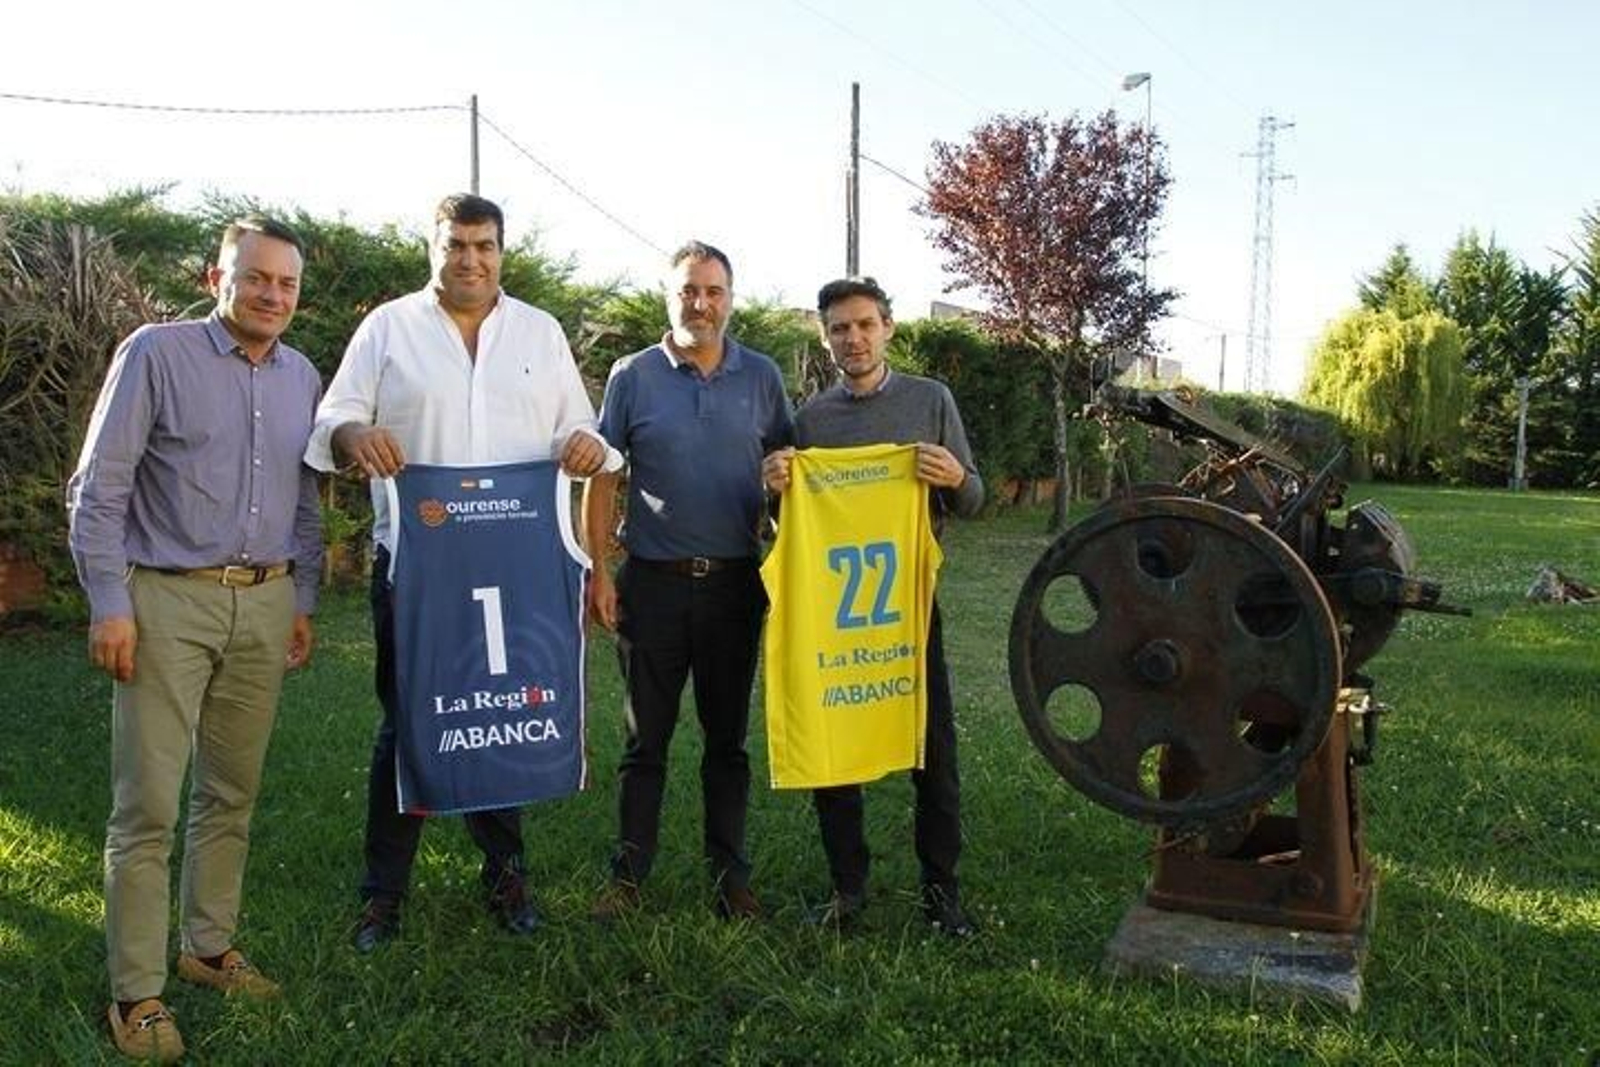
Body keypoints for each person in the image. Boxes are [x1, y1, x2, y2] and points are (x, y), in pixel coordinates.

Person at [305, 193, 618, 952]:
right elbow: (329, 421)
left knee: (499, 709)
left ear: (501, 251)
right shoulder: (388, 328)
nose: (470, 259)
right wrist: (355, 433)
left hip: (514, 566)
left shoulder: (538, 333)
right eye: (456, 245)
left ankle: (505, 874)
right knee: (409, 717)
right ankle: (384, 894)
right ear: (432, 247)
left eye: (483, 246)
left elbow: (579, 430)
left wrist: (582, 444)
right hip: (418, 563)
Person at [67, 217, 322, 1062]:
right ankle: (137, 994)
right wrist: (110, 600)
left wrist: (301, 598)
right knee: (146, 808)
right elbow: (98, 487)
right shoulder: (156, 353)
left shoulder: (301, 376)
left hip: (264, 599)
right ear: (218, 276)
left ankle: (207, 947)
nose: (272, 296)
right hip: (165, 602)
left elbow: (306, 501)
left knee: (232, 794)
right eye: (256, 278)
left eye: (286, 284)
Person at [761, 276, 982, 937]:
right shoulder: (812, 421)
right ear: (825, 338)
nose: (852, 338)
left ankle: (941, 892)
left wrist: (955, 478)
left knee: (932, 753)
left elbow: (974, 498)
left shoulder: (930, 400)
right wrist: (773, 488)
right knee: (835, 751)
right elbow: (789, 523)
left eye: (864, 324)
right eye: (838, 328)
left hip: (910, 607)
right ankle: (846, 887)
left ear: (888, 326)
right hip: (831, 613)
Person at [584, 240, 794, 920]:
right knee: (646, 740)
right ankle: (628, 877)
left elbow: (792, 471)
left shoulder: (761, 376)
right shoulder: (632, 376)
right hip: (652, 583)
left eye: (713, 291)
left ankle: (730, 878)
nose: (700, 303)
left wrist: (784, 487)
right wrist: (598, 569)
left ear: (729, 299)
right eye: (688, 291)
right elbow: (604, 476)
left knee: (727, 744)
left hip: (736, 585)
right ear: (667, 296)